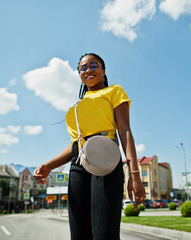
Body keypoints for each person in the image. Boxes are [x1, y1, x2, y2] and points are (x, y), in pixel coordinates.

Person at [33, 53, 145, 240]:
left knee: (104, 234)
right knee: (78, 234)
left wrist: (134, 174)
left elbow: (125, 131)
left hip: (106, 158)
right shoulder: (76, 108)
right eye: (83, 68)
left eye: (93, 66)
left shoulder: (114, 91)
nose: (88, 70)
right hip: (78, 164)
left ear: (103, 70)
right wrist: (49, 166)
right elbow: (75, 145)